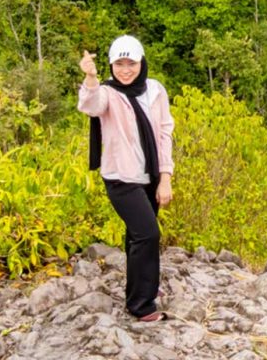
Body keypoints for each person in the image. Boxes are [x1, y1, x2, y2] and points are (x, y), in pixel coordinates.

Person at [77, 34, 175, 322]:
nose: (125, 70)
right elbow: (91, 105)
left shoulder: (155, 90)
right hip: (121, 178)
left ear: (141, 62)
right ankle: (141, 306)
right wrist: (91, 78)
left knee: (136, 237)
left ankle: (144, 288)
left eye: (131, 63)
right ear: (110, 65)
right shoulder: (109, 92)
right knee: (148, 233)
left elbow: (164, 133)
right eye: (118, 64)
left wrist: (165, 177)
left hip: (151, 175)